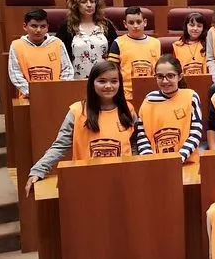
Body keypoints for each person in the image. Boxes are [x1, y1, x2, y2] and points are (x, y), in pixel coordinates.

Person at [25, 61, 135, 196]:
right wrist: (38, 170)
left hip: (122, 181)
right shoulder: (77, 111)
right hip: (87, 182)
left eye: (114, 81)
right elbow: (60, 146)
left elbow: (135, 143)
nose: (108, 86)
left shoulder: (128, 110)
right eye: (102, 81)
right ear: (92, 83)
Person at [134, 54, 203, 163]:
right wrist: (150, 159)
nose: (165, 81)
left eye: (170, 76)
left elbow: (196, 131)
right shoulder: (149, 100)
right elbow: (141, 135)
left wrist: (179, 158)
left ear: (179, 76)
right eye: (160, 76)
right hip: (155, 164)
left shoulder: (191, 97)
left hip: (187, 162)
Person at [8, 8, 73, 97]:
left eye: (43, 26)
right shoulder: (16, 45)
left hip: (56, 95)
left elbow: (67, 70)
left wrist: (59, 89)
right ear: (25, 26)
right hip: (29, 97)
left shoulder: (57, 43)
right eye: (34, 26)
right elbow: (15, 74)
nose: (38, 30)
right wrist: (33, 93)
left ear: (47, 28)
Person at [55, 0, 117, 79]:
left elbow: (115, 52)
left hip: (103, 79)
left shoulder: (106, 25)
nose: (89, 5)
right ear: (76, 5)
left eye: (92, 1)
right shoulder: (66, 26)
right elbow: (61, 55)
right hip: (76, 80)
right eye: (84, 2)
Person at [106, 6, 161, 101]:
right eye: (131, 23)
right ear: (125, 24)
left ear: (145, 22)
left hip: (153, 94)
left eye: (139, 22)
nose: (135, 26)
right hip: (126, 96)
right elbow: (111, 72)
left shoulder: (156, 43)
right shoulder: (118, 43)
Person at [172, 11, 208, 76]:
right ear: (186, 26)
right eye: (192, 25)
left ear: (203, 28)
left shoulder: (208, 44)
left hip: (205, 82)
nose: (195, 28)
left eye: (199, 26)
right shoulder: (177, 46)